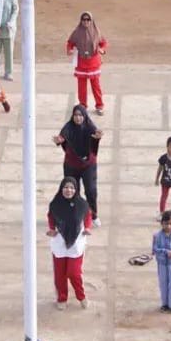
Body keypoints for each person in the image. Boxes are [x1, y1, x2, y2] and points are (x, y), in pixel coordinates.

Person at [45, 177, 92, 310]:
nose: (68, 190)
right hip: (59, 242)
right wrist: (52, 229)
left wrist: (87, 228)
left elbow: (87, 216)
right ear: (61, 188)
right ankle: (62, 297)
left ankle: (81, 296)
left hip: (76, 242)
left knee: (73, 273)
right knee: (59, 274)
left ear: (76, 189)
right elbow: (51, 217)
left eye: (71, 187)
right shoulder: (55, 204)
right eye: (66, 187)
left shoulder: (82, 204)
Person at [54, 104, 102, 225]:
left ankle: (93, 214)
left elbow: (96, 135)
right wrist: (59, 140)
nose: (78, 118)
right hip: (71, 165)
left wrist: (97, 137)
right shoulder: (68, 127)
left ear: (84, 116)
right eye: (75, 115)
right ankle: (76, 215)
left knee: (91, 190)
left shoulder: (89, 126)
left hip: (88, 165)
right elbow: (62, 137)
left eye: (80, 115)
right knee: (72, 191)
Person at [66, 12, 107, 116]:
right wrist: (70, 50)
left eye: (88, 20)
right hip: (81, 63)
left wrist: (102, 49)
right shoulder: (76, 32)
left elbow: (103, 42)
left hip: (93, 62)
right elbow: (70, 42)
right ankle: (83, 106)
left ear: (91, 20)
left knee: (96, 86)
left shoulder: (96, 32)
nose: (86, 22)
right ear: (81, 20)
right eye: (84, 19)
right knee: (82, 87)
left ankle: (99, 105)